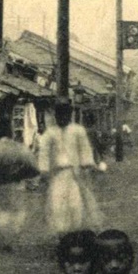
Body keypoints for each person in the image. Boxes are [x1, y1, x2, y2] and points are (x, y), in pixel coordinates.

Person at [39, 99, 103, 236]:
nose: (62, 117)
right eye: (59, 114)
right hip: (57, 175)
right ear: (55, 116)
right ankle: (62, 233)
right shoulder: (50, 133)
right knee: (57, 204)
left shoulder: (77, 131)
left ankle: (75, 231)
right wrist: (43, 170)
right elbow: (43, 152)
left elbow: (85, 149)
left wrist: (87, 164)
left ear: (70, 115)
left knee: (76, 203)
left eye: (65, 114)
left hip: (74, 174)